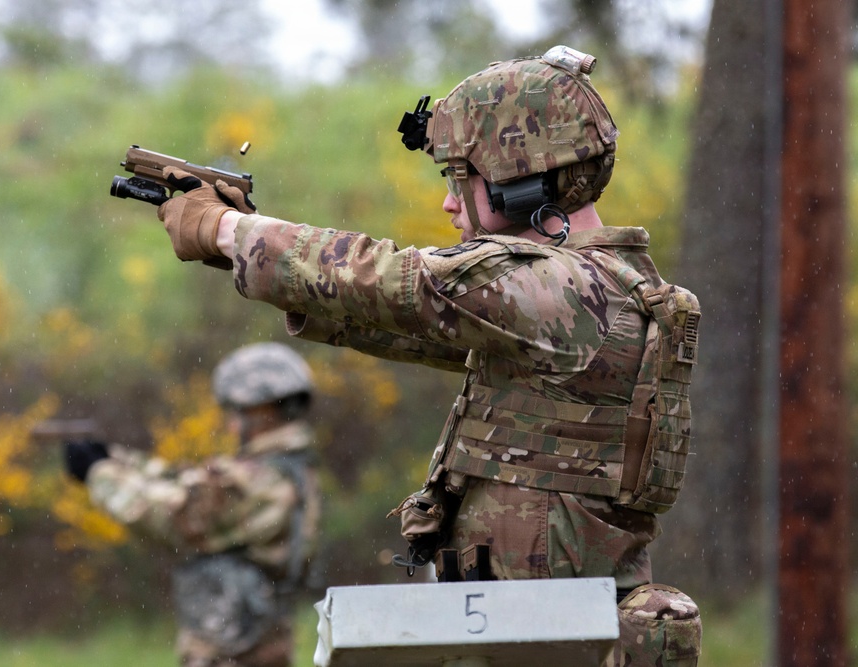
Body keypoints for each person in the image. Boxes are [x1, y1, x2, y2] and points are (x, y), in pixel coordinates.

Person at [152, 46, 702, 666]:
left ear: (516, 184)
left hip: (547, 639)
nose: (448, 204)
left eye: (459, 179)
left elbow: (400, 282)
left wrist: (227, 230)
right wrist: (245, 248)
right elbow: (402, 318)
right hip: (531, 628)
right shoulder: (594, 289)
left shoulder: (568, 290)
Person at [63, 342, 321, 667]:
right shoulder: (286, 470)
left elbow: (172, 515)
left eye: (236, 411)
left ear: (263, 411)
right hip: (257, 643)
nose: (231, 424)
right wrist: (117, 459)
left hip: (233, 651)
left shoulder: (258, 482)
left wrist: (98, 474)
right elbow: (186, 483)